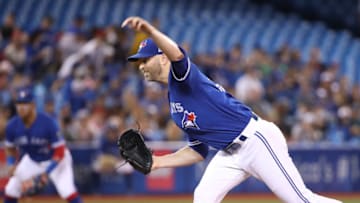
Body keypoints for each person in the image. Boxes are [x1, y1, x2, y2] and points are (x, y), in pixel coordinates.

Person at [122, 16, 342, 203]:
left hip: (256, 141)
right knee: (203, 197)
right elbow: (198, 151)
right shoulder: (175, 105)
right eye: (139, 62)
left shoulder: (183, 78)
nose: (140, 66)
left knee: (301, 199)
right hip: (230, 153)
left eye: (145, 60)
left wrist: (150, 30)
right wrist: (159, 162)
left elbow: (177, 55)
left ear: (162, 58)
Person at [3, 87, 82, 203]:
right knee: (11, 190)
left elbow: (59, 152)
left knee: (67, 191)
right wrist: (10, 163)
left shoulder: (48, 123)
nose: (21, 108)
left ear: (33, 105)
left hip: (56, 161)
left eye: (25, 104)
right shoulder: (12, 125)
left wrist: (46, 174)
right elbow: (10, 148)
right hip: (33, 160)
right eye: (19, 104)